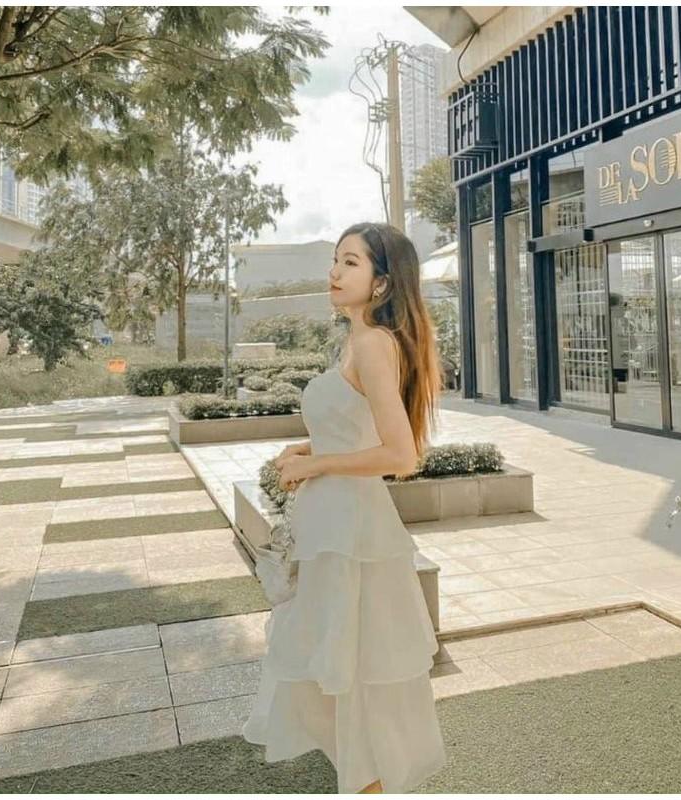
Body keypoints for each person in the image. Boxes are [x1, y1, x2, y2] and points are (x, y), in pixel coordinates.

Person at [241, 222, 447, 793]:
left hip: (351, 531)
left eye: (350, 262)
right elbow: (358, 429)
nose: (334, 272)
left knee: (348, 679)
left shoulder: (374, 344)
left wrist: (317, 465)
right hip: (334, 525)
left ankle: (367, 787)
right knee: (332, 678)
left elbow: (401, 455)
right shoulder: (358, 341)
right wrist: (311, 450)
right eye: (335, 260)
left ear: (382, 281)